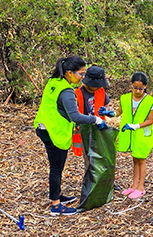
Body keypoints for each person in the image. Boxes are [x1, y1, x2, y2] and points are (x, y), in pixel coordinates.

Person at [34, 56, 107, 216]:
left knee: (57, 166)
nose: (82, 77)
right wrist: (95, 119)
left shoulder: (54, 82)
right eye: (80, 74)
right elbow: (75, 116)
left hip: (43, 126)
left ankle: (58, 195)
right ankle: (56, 205)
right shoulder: (67, 91)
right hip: (53, 131)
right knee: (56, 168)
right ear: (69, 73)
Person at [116, 72, 153, 200]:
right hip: (131, 136)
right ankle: (134, 185)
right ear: (131, 85)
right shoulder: (125, 98)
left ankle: (141, 187)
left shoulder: (150, 101)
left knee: (141, 159)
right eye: (135, 87)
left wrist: (136, 126)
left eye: (141, 88)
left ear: (145, 87)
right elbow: (119, 112)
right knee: (135, 159)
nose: (138, 91)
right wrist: (109, 113)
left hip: (142, 135)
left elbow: (150, 120)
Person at [71, 66, 112, 157]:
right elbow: (74, 114)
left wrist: (106, 111)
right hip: (85, 130)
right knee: (89, 157)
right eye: (96, 85)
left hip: (99, 129)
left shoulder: (101, 91)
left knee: (100, 157)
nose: (98, 87)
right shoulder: (77, 94)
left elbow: (106, 104)